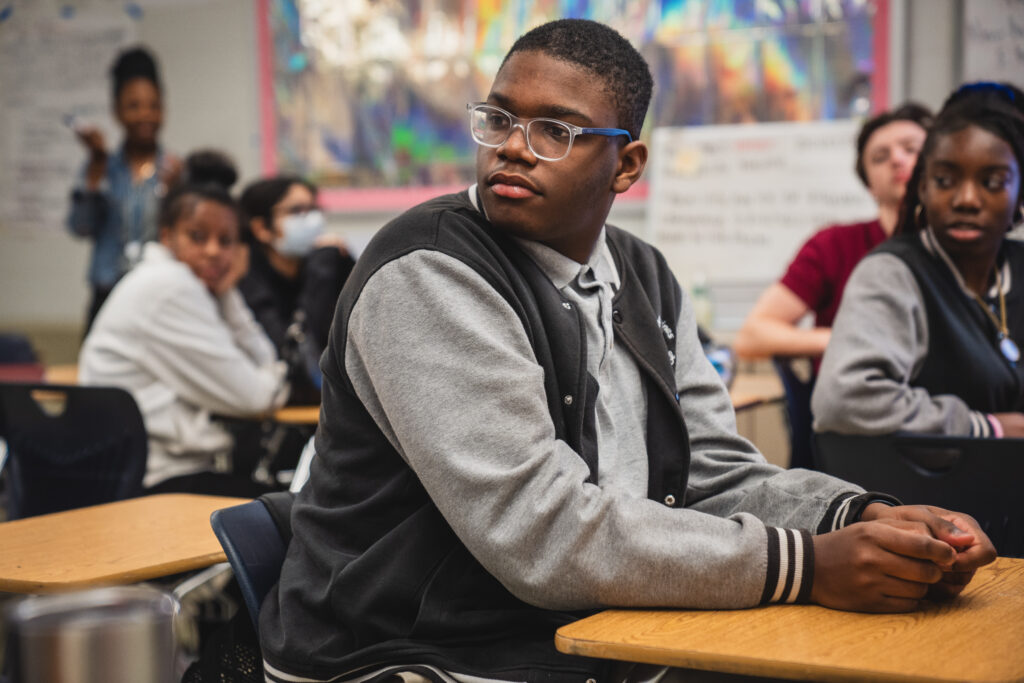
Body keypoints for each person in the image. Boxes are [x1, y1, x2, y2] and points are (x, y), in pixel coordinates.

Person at [259, 20, 994, 683]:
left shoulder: (642, 275)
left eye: (557, 130)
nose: (515, 145)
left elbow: (710, 471)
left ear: (627, 164)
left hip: (563, 631)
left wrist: (856, 518)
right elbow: (540, 532)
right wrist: (804, 565)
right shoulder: (428, 274)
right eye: (501, 119)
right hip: (404, 652)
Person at [813, 82, 1024, 439]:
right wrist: (985, 427)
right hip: (932, 491)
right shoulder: (893, 272)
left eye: (992, 181)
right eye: (945, 180)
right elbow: (843, 401)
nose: (967, 199)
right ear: (922, 187)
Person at [79, 169, 289, 496]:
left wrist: (228, 291)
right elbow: (256, 398)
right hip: (154, 484)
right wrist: (277, 375)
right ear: (167, 237)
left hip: (138, 474)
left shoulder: (171, 281)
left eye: (226, 240)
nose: (213, 251)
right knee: (299, 514)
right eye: (197, 236)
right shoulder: (171, 288)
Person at [734, 103, 933, 361]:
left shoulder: (965, 246)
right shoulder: (833, 245)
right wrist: (852, 340)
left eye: (911, 149)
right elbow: (751, 336)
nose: (897, 159)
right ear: (869, 184)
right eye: (880, 157)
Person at [67, 46, 182, 333]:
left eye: (154, 105)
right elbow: (81, 227)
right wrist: (95, 171)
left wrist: (175, 194)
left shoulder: (175, 170)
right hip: (107, 295)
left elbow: (182, 241)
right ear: (116, 111)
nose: (146, 114)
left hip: (158, 299)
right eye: (134, 105)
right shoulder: (101, 166)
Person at [237, 177, 355, 405]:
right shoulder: (246, 277)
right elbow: (295, 355)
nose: (311, 219)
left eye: (313, 209)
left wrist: (342, 263)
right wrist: (321, 271)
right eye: (296, 211)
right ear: (261, 228)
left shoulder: (325, 261)